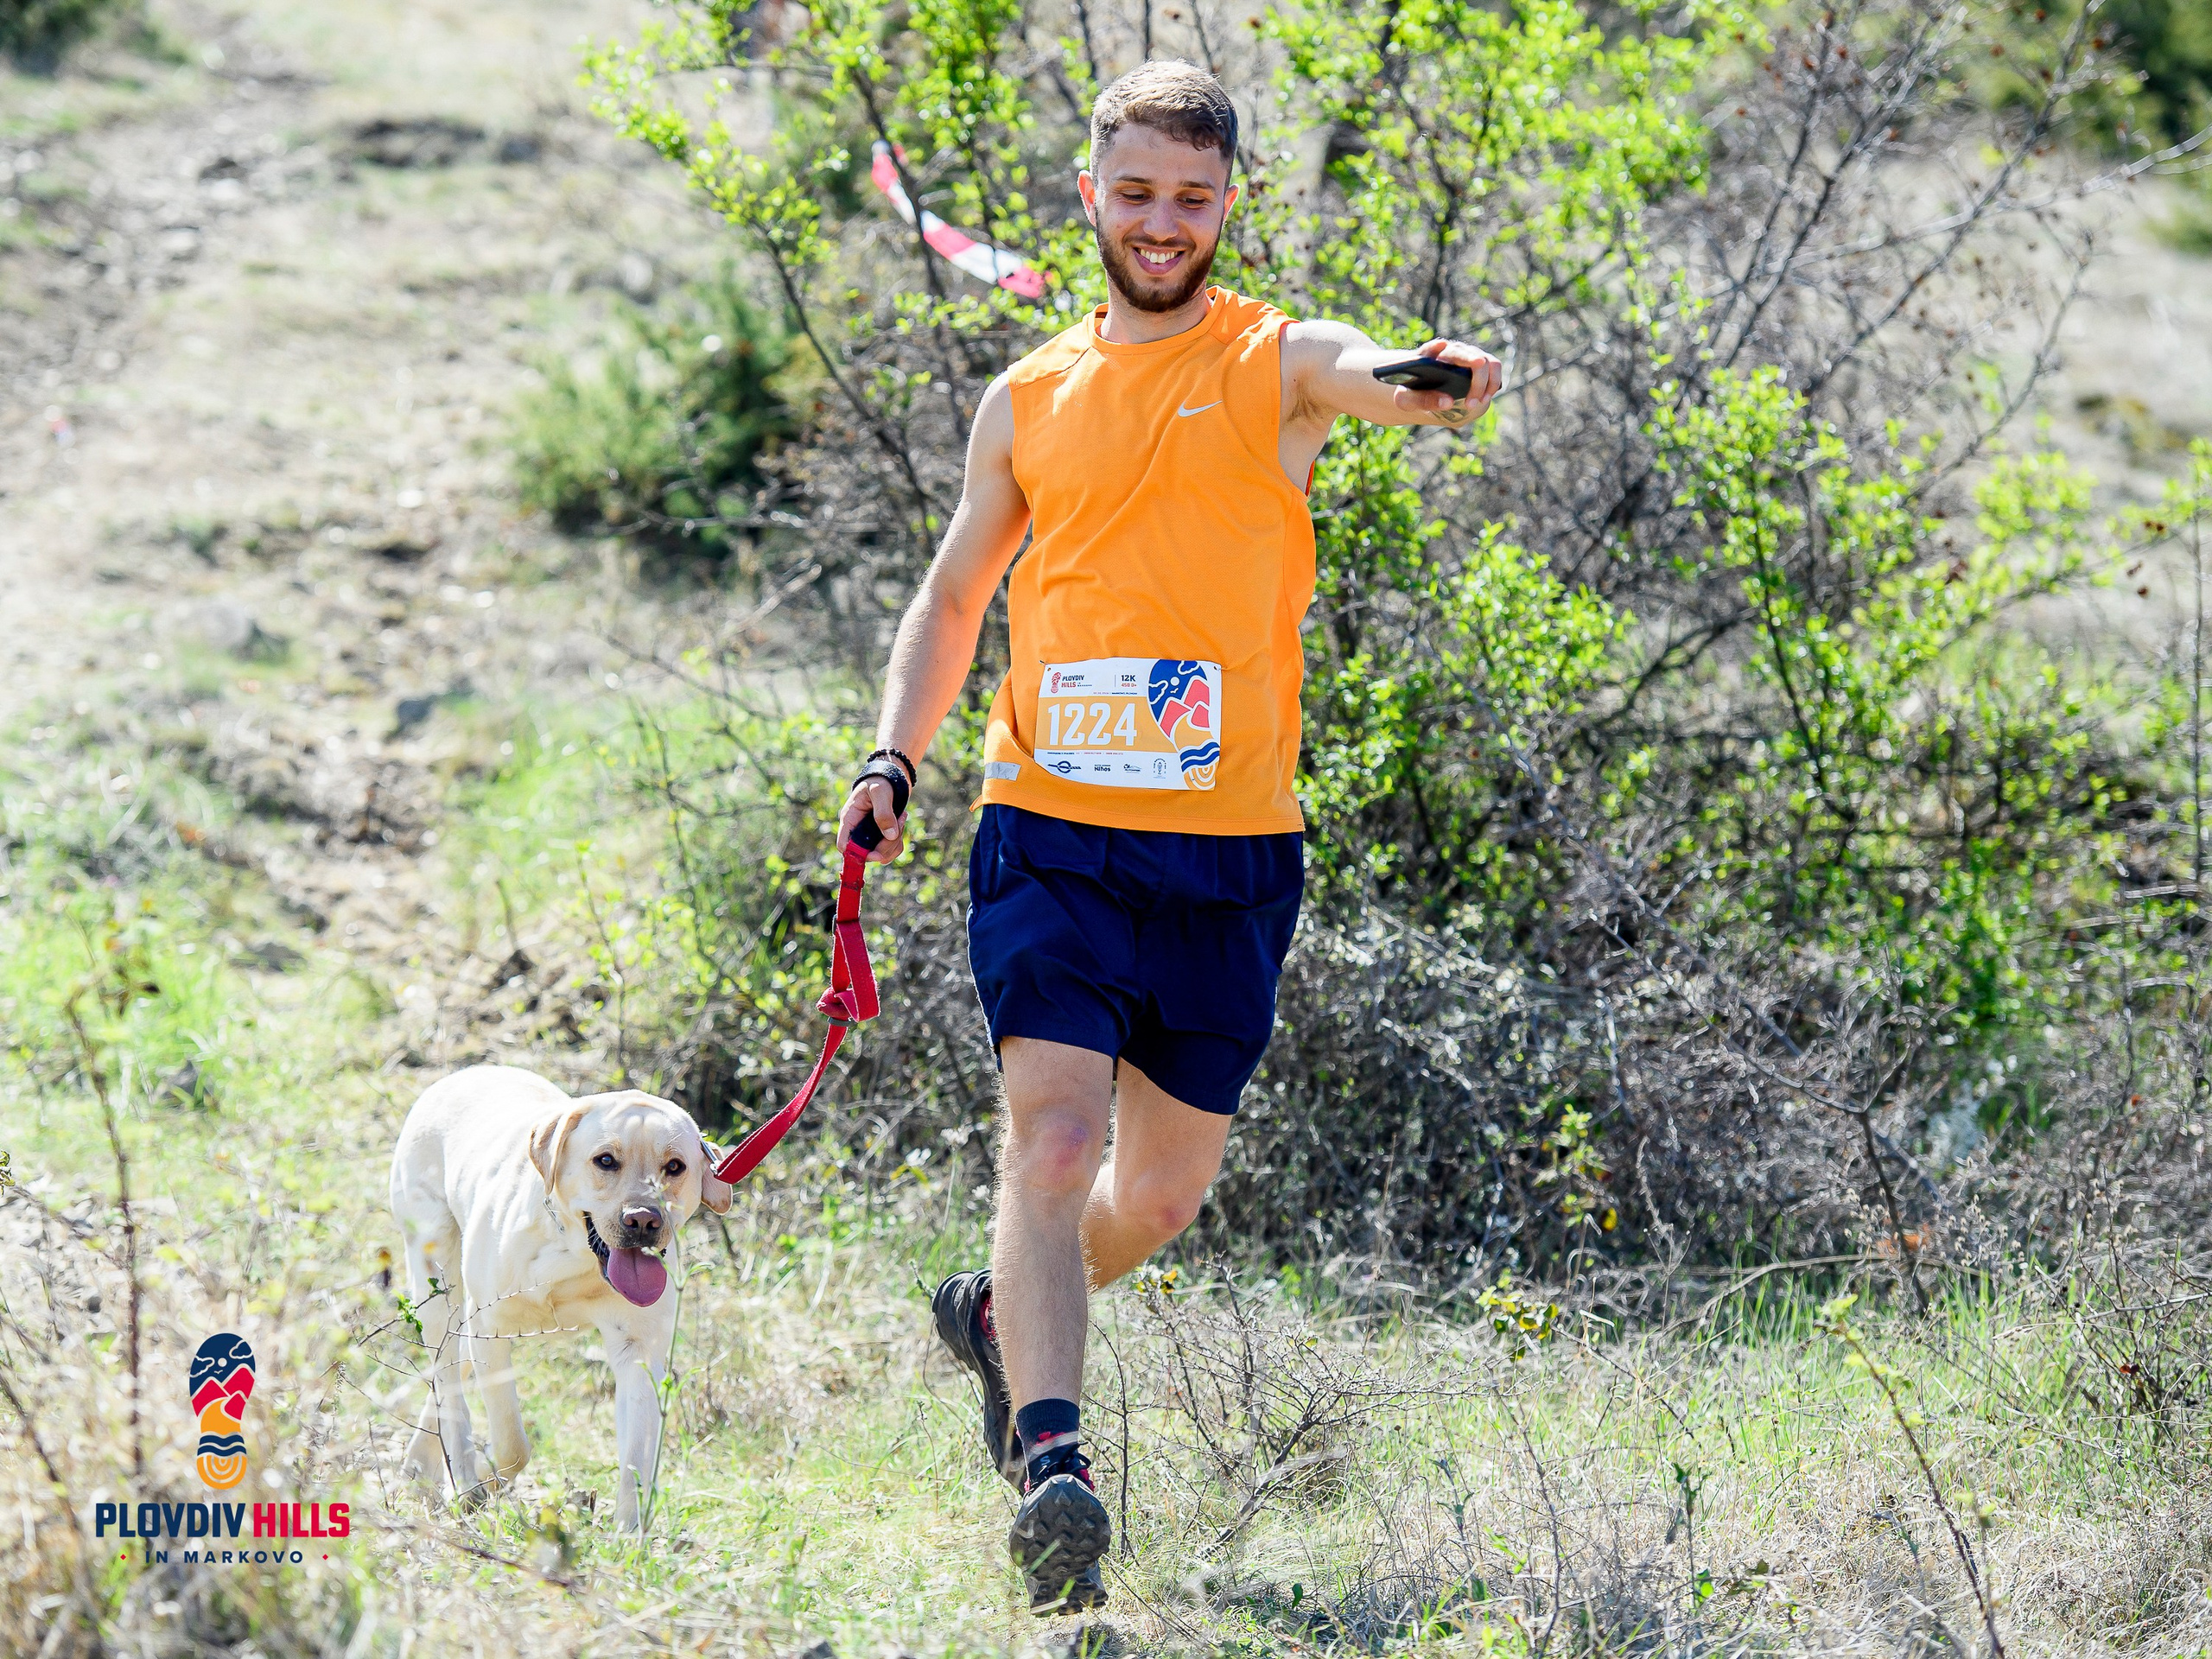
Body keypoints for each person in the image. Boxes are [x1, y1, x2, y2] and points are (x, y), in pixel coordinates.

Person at [835, 60, 1502, 1613]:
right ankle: (1055, 1473)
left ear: (1227, 205)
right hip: (1051, 825)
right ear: (1092, 194)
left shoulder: (1273, 364)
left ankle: (997, 1324)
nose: (1160, 222)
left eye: (1191, 198)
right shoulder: (1029, 396)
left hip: (1231, 849)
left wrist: (1438, 375)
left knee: (1156, 1199)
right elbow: (956, 594)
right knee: (1056, 1145)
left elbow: (1367, 366)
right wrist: (894, 753)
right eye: (1134, 192)